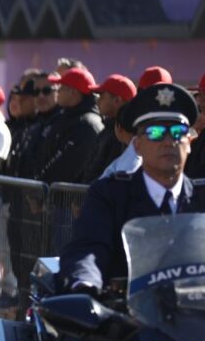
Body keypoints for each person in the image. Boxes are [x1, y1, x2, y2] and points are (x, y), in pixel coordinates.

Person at [60, 83, 204, 292]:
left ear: (189, 142)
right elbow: (88, 249)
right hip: (127, 318)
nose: (167, 141)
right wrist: (85, 282)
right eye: (155, 133)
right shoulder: (109, 195)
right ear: (137, 145)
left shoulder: (201, 198)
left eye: (176, 132)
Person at [82, 74, 136, 181]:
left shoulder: (124, 134)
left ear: (117, 100)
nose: (98, 101)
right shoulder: (107, 129)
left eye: (102, 96)